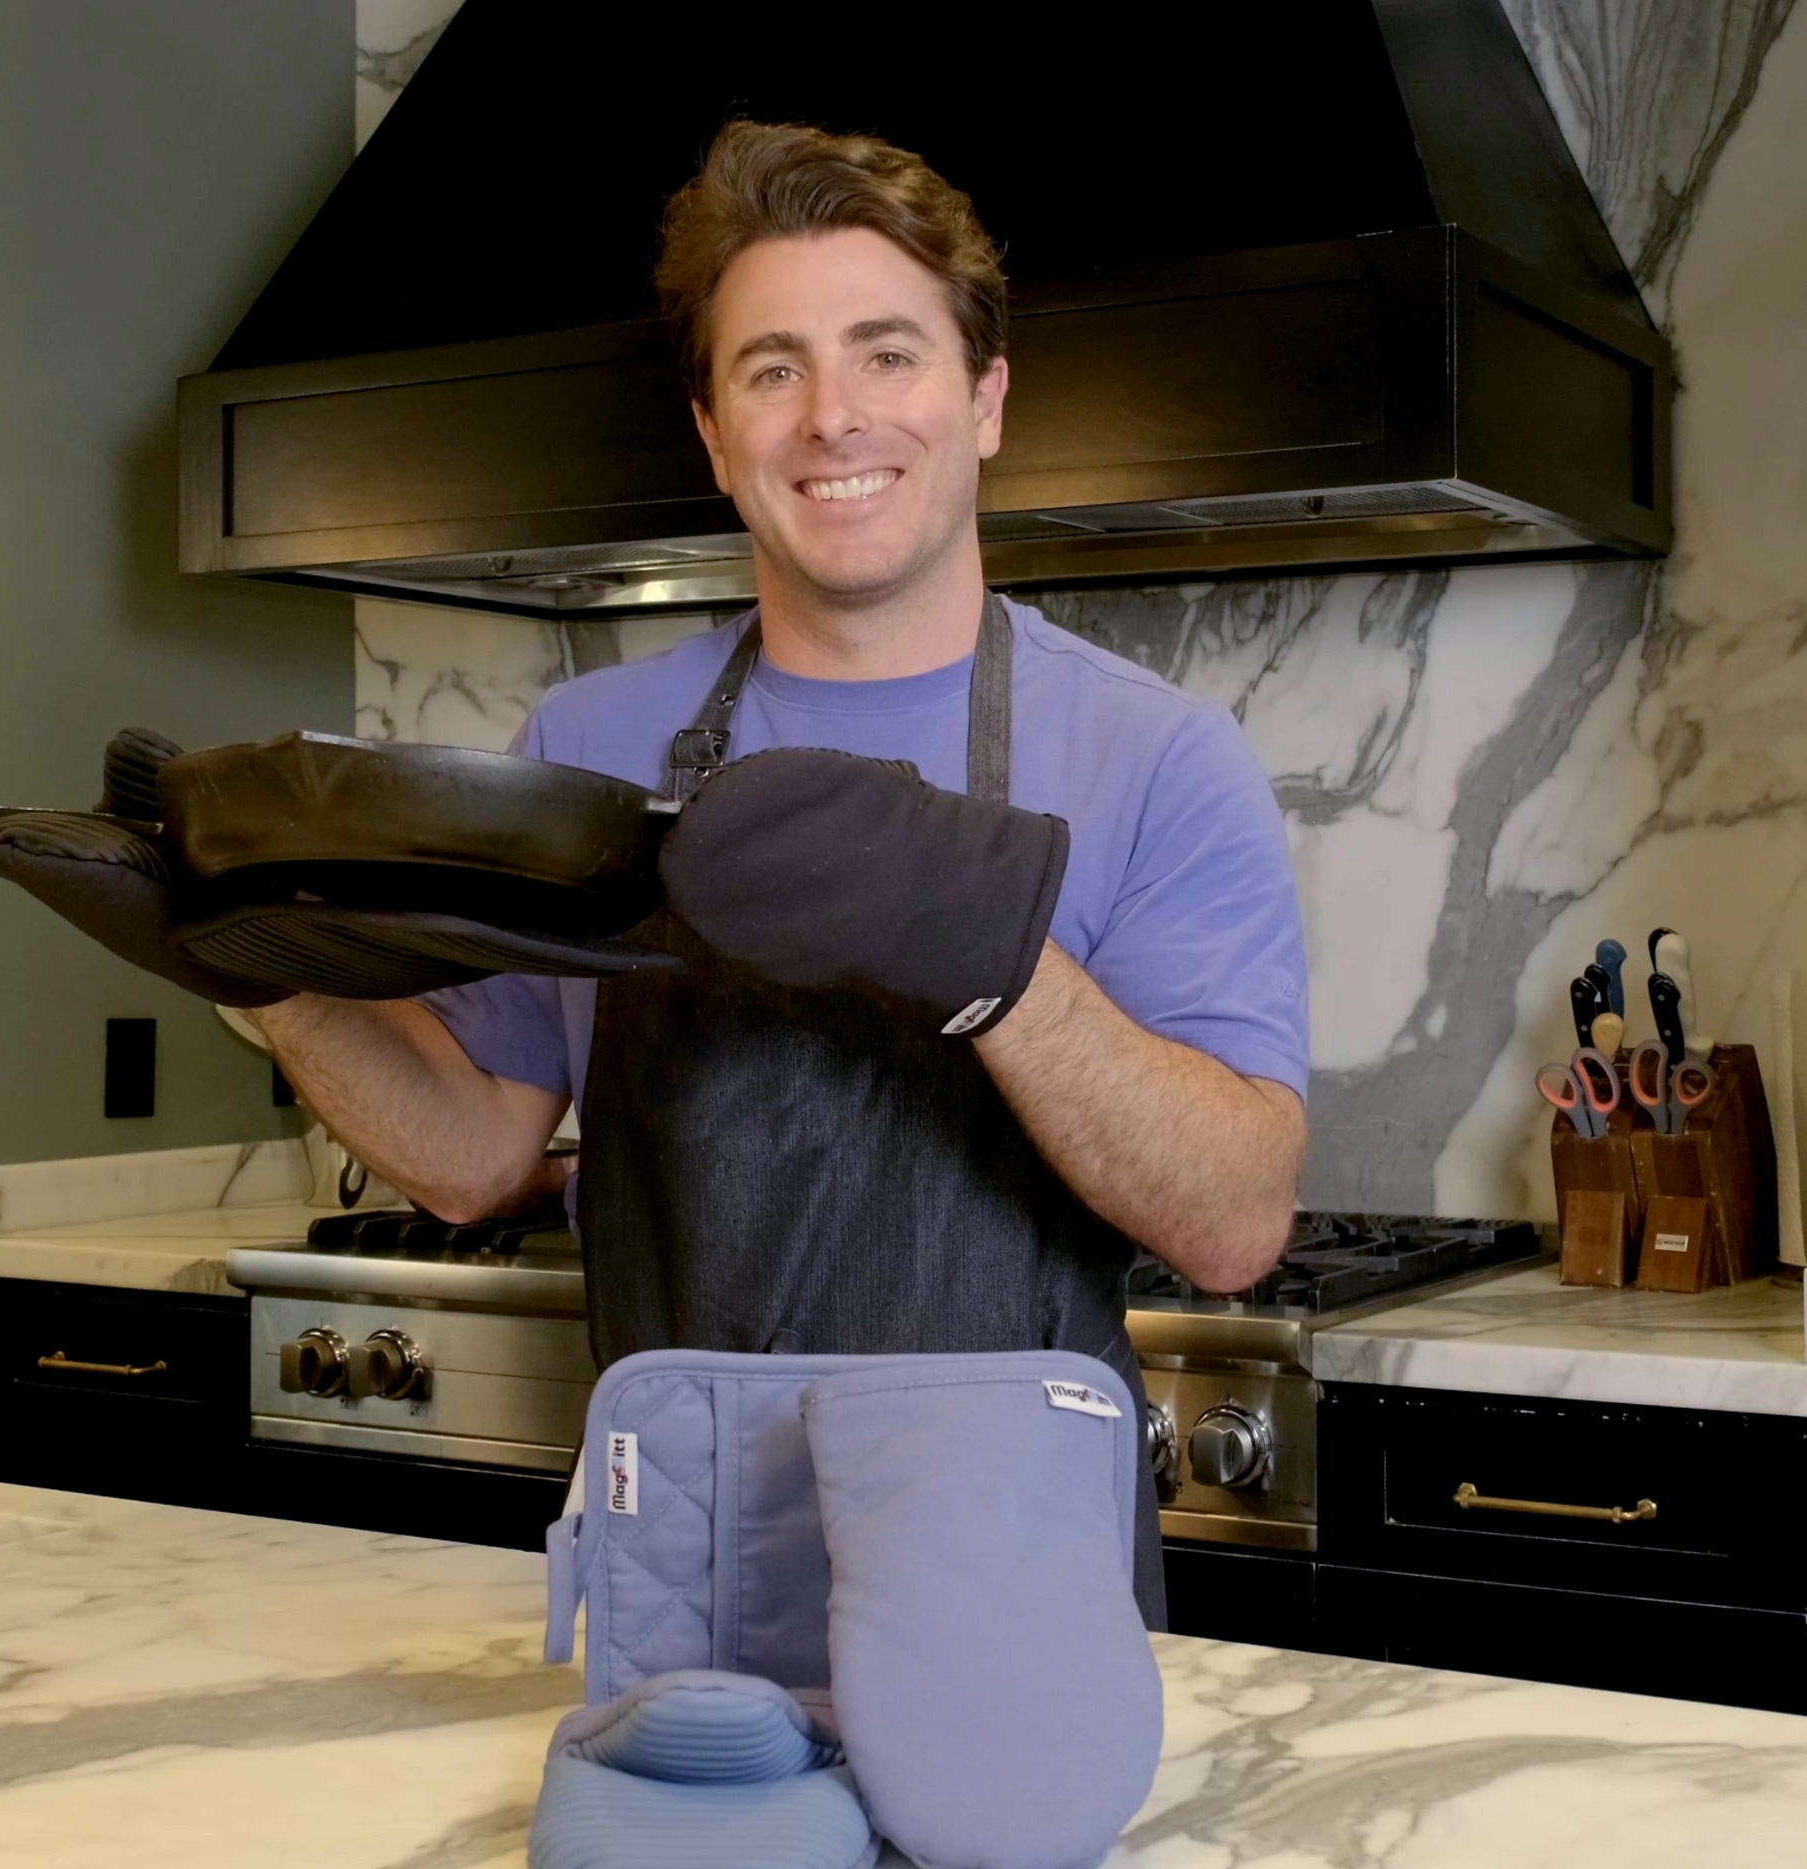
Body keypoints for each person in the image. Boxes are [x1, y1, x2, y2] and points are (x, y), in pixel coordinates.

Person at [251, 122, 1309, 1622]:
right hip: (679, 1573)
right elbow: (474, 1149)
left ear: (984, 398)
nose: (832, 416)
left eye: (886, 353)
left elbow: (1232, 1219)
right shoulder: (589, 740)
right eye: (772, 368)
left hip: (1010, 1593)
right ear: (712, 431)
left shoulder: (1155, 754)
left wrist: (995, 959)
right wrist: (261, 973)